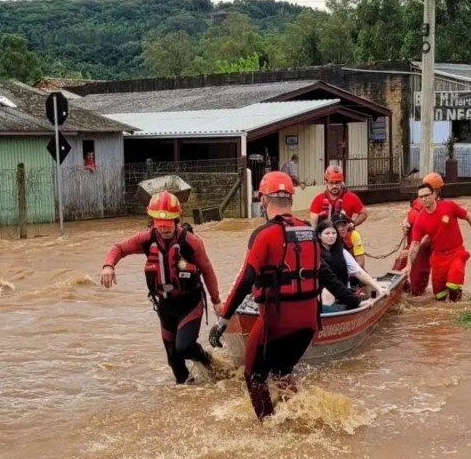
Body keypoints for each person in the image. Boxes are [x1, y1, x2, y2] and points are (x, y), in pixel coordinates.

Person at [209, 171, 360, 420]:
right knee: (282, 370)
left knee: (254, 376)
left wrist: (223, 322)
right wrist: (353, 299)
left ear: (264, 200)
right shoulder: (311, 233)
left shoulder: (263, 234)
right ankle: (298, 418)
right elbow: (326, 276)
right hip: (308, 325)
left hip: (277, 322)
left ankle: (268, 429)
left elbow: (245, 280)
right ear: (290, 199)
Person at [100, 190, 221, 384]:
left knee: (184, 347)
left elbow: (207, 269)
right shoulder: (147, 239)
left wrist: (216, 301)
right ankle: (189, 395)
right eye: (159, 225)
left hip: (190, 302)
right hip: (165, 306)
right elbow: (118, 248)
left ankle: (207, 360)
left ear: (177, 219)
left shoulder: (191, 243)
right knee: (174, 359)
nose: (164, 230)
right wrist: (108, 265)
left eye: (167, 225)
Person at [399, 183, 471, 302]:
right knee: (439, 295)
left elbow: (468, 216)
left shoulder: (449, 206)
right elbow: (415, 244)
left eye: (427, 195)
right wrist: (409, 265)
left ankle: (455, 311)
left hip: (456, 253)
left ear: (434, 194)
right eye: (421, 197)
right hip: (438, 257)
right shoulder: (420, 219)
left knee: (454, 282)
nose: (424, 199)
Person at [316, 219, 384, 310]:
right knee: (326, 292)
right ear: (319, 235)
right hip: (322, 296)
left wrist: (378, 287)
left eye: (333, 233)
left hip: (345, 294)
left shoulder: (343, 253)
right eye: (327, 233)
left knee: (371, 292)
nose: (331, 236)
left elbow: (358, 272)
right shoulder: (314, 254)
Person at [395, 172, 444, 297]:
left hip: (423, 248)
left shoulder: (441, 208)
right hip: (412, 243)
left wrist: (414, 249)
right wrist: (404, 224)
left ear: (436, 191)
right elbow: (408, 216)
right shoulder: (417, 201)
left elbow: (430, 236)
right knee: (396, 273)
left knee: (417, 286)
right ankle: (397, 296)